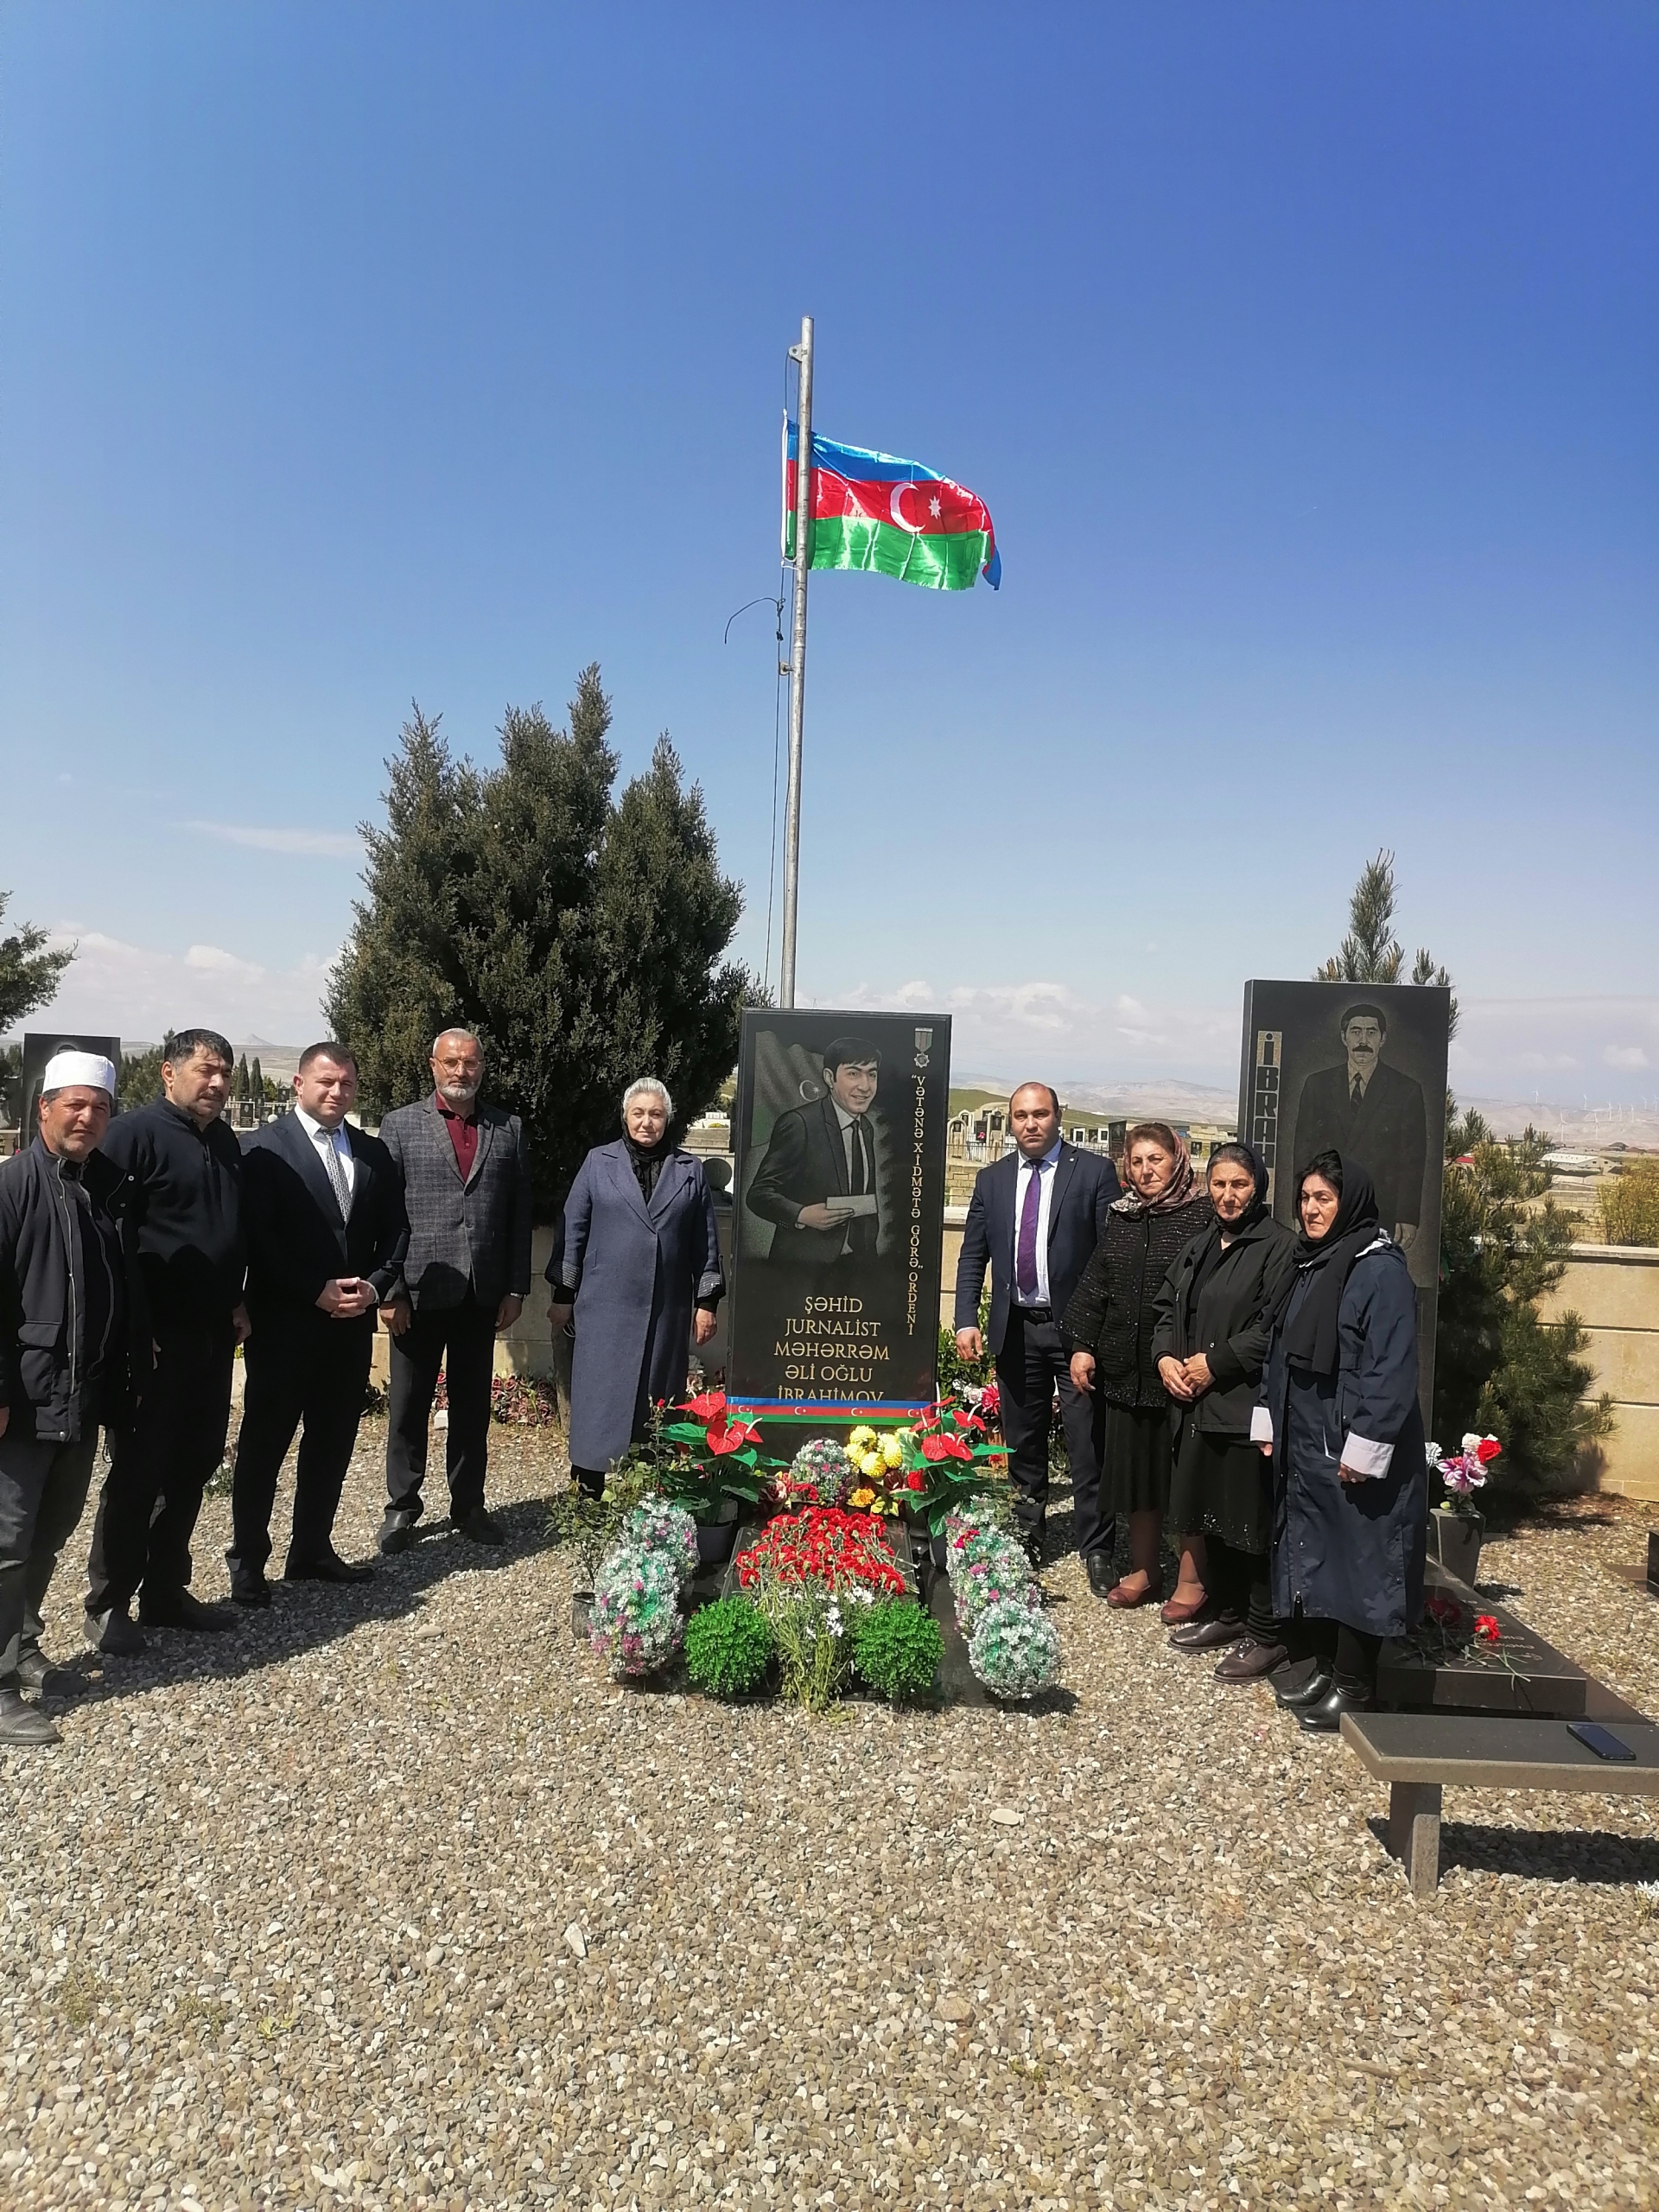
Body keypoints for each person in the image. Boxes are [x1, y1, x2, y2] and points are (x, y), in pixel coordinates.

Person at [85, 1028, 248, 1655]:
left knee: (194, 1464)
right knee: (140, 1471)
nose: (217, 1083)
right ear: (168, 1072)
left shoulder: (224, 1140)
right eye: (206, 1070)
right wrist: (135, 1327)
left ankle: (165, 1591)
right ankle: (108, 1604)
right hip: (155, 1339)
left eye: (224, 1072)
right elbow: (106, 1239)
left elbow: (222, 1229)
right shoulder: (132, 1136)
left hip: (212, 1334)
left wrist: (235, 1299)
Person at [1252, 1149, 1427, 1732]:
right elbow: (1279, 1350)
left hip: (1350, 1444)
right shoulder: (1311, 1263)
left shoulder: (1380, 1271)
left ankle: (1355, 1688)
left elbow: (1390, 1369)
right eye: (1305, 1198)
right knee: (1321, 1557)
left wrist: (1366, 1445)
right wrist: (1268, 1415)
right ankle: (1327, 1668)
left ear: (1349, 1202)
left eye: (1323, 1198)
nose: (1311, 1209)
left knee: (1361, 1564)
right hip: (1309, 1441)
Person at [226, 1043, 408, 1605]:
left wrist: (374, 1285)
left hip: (349, 1328)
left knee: (332, 1442)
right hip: (284, 1325)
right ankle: (247, 1560)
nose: (336, 1092)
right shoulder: (262, 1150)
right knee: (265, 1444)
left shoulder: (373, 1153)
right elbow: (259, 1237)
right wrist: (313, 1290)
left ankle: (311, 1549)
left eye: (346, 1083)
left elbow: (396, 1231)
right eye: (326, 1081)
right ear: (299, 1084)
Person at [0, 1053, 128, 1745]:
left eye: (99, 1107)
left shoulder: (97, 1189)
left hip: (79, 1399)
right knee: (7, 1541)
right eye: (74, 1104)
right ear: (43, 1107)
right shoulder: (12, 1187)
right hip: (23, 1401)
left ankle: (22, 1647)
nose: (87, 1117)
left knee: (48, 1535)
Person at [952, 1083, 1121, 1572]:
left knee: (1087, 1444)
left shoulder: (1093, 1173)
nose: (1031, 1124)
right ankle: (1027, 1533)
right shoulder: (991, 1180)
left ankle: (1097, 1548)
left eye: (1040, 1114)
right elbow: (973, 1256)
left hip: (1076, 1335)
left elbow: (1110, 1259)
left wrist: (1093, 1337)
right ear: (1011, 1122)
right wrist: (965, 1319)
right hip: (1016, 1330)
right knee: (1022, 1441)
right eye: (1021, 1115)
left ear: (1058, 1116)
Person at [376, 1028, 531, 1552]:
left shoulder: (508, 1128)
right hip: (418, 1293)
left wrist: (516, 1288)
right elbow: (385, 1213)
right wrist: (391, 1291)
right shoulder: (400, 1126)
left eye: (470, 1062)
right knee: (408, 1406)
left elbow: (517, 1214)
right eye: (452, 1062)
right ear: (433, 1065)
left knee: (471, 1408)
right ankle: (403, 1506)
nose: (461, 1071)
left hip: (480, 1294)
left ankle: (468, 1505)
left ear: (482, 1066)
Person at [1153, 1144, 1296, 1679]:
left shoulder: (1278, 1246)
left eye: (1239, 1185)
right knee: (1212, 1519)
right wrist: (1165, 1358)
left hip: (1241, 1407)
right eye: (1219, 1184)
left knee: (1248, 1524)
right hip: (1195, 1406)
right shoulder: (1200, 1243)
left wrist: (1215, 1364)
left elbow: (1272, 1327)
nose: (1228, 1196)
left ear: (1258, 1187)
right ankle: (1229, 1613)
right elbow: (1166, 1307)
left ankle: (1265, 1632)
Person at [1063, 1122, 1212, 1618]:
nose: (1146, 1171)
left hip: (1180, 1374)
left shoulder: (1203, 1216)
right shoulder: (1122, 1216)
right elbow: (1098, 1281)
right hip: (1126, 1373)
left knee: (1184, 1481)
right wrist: (1083, 1345)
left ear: (1177, 1159)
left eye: (1156, 1159)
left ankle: (1192, 1580)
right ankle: (1146, 1570)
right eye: (1137, 1161)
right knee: (1137, 1479)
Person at [548, 1079, 722, 1497]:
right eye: (638, 1113)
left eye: (656, 1114)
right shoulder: (598, 1162)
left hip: (666, 1309)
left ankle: (649, 1503)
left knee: (656, 1403)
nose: (647, 1122)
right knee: (599, 1404)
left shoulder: (689, 1171)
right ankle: (588, 1495)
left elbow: (706, 1242)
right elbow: (573, 1230)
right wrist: (563, 1297)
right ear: (625, 1117)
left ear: (668, 1119)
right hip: (603, 1308)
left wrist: (707, 1303)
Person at [1291, 1002, 1427, 1251]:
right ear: (1344, 1037)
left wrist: (1407, 1215)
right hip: (1326, 1205)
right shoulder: (1317, 1085)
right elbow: (1303, 1151)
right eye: (1356, 1032)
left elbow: (1412, 1158)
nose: (1363, 1040)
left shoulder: (1406, 1090)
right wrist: (1299, 1207)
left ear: (1382, 1039)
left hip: (1379, 1208)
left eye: (1371, 1032)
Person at [746, 1037, 885, 1267]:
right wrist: (802, 1215)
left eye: (872, 1074)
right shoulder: (800, 1124)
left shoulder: (865, 1128)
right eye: (853, 1073)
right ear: (829, 1078)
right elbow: (758, 1194)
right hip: (803, 1270)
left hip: (858, 1267)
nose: (865, 1086)